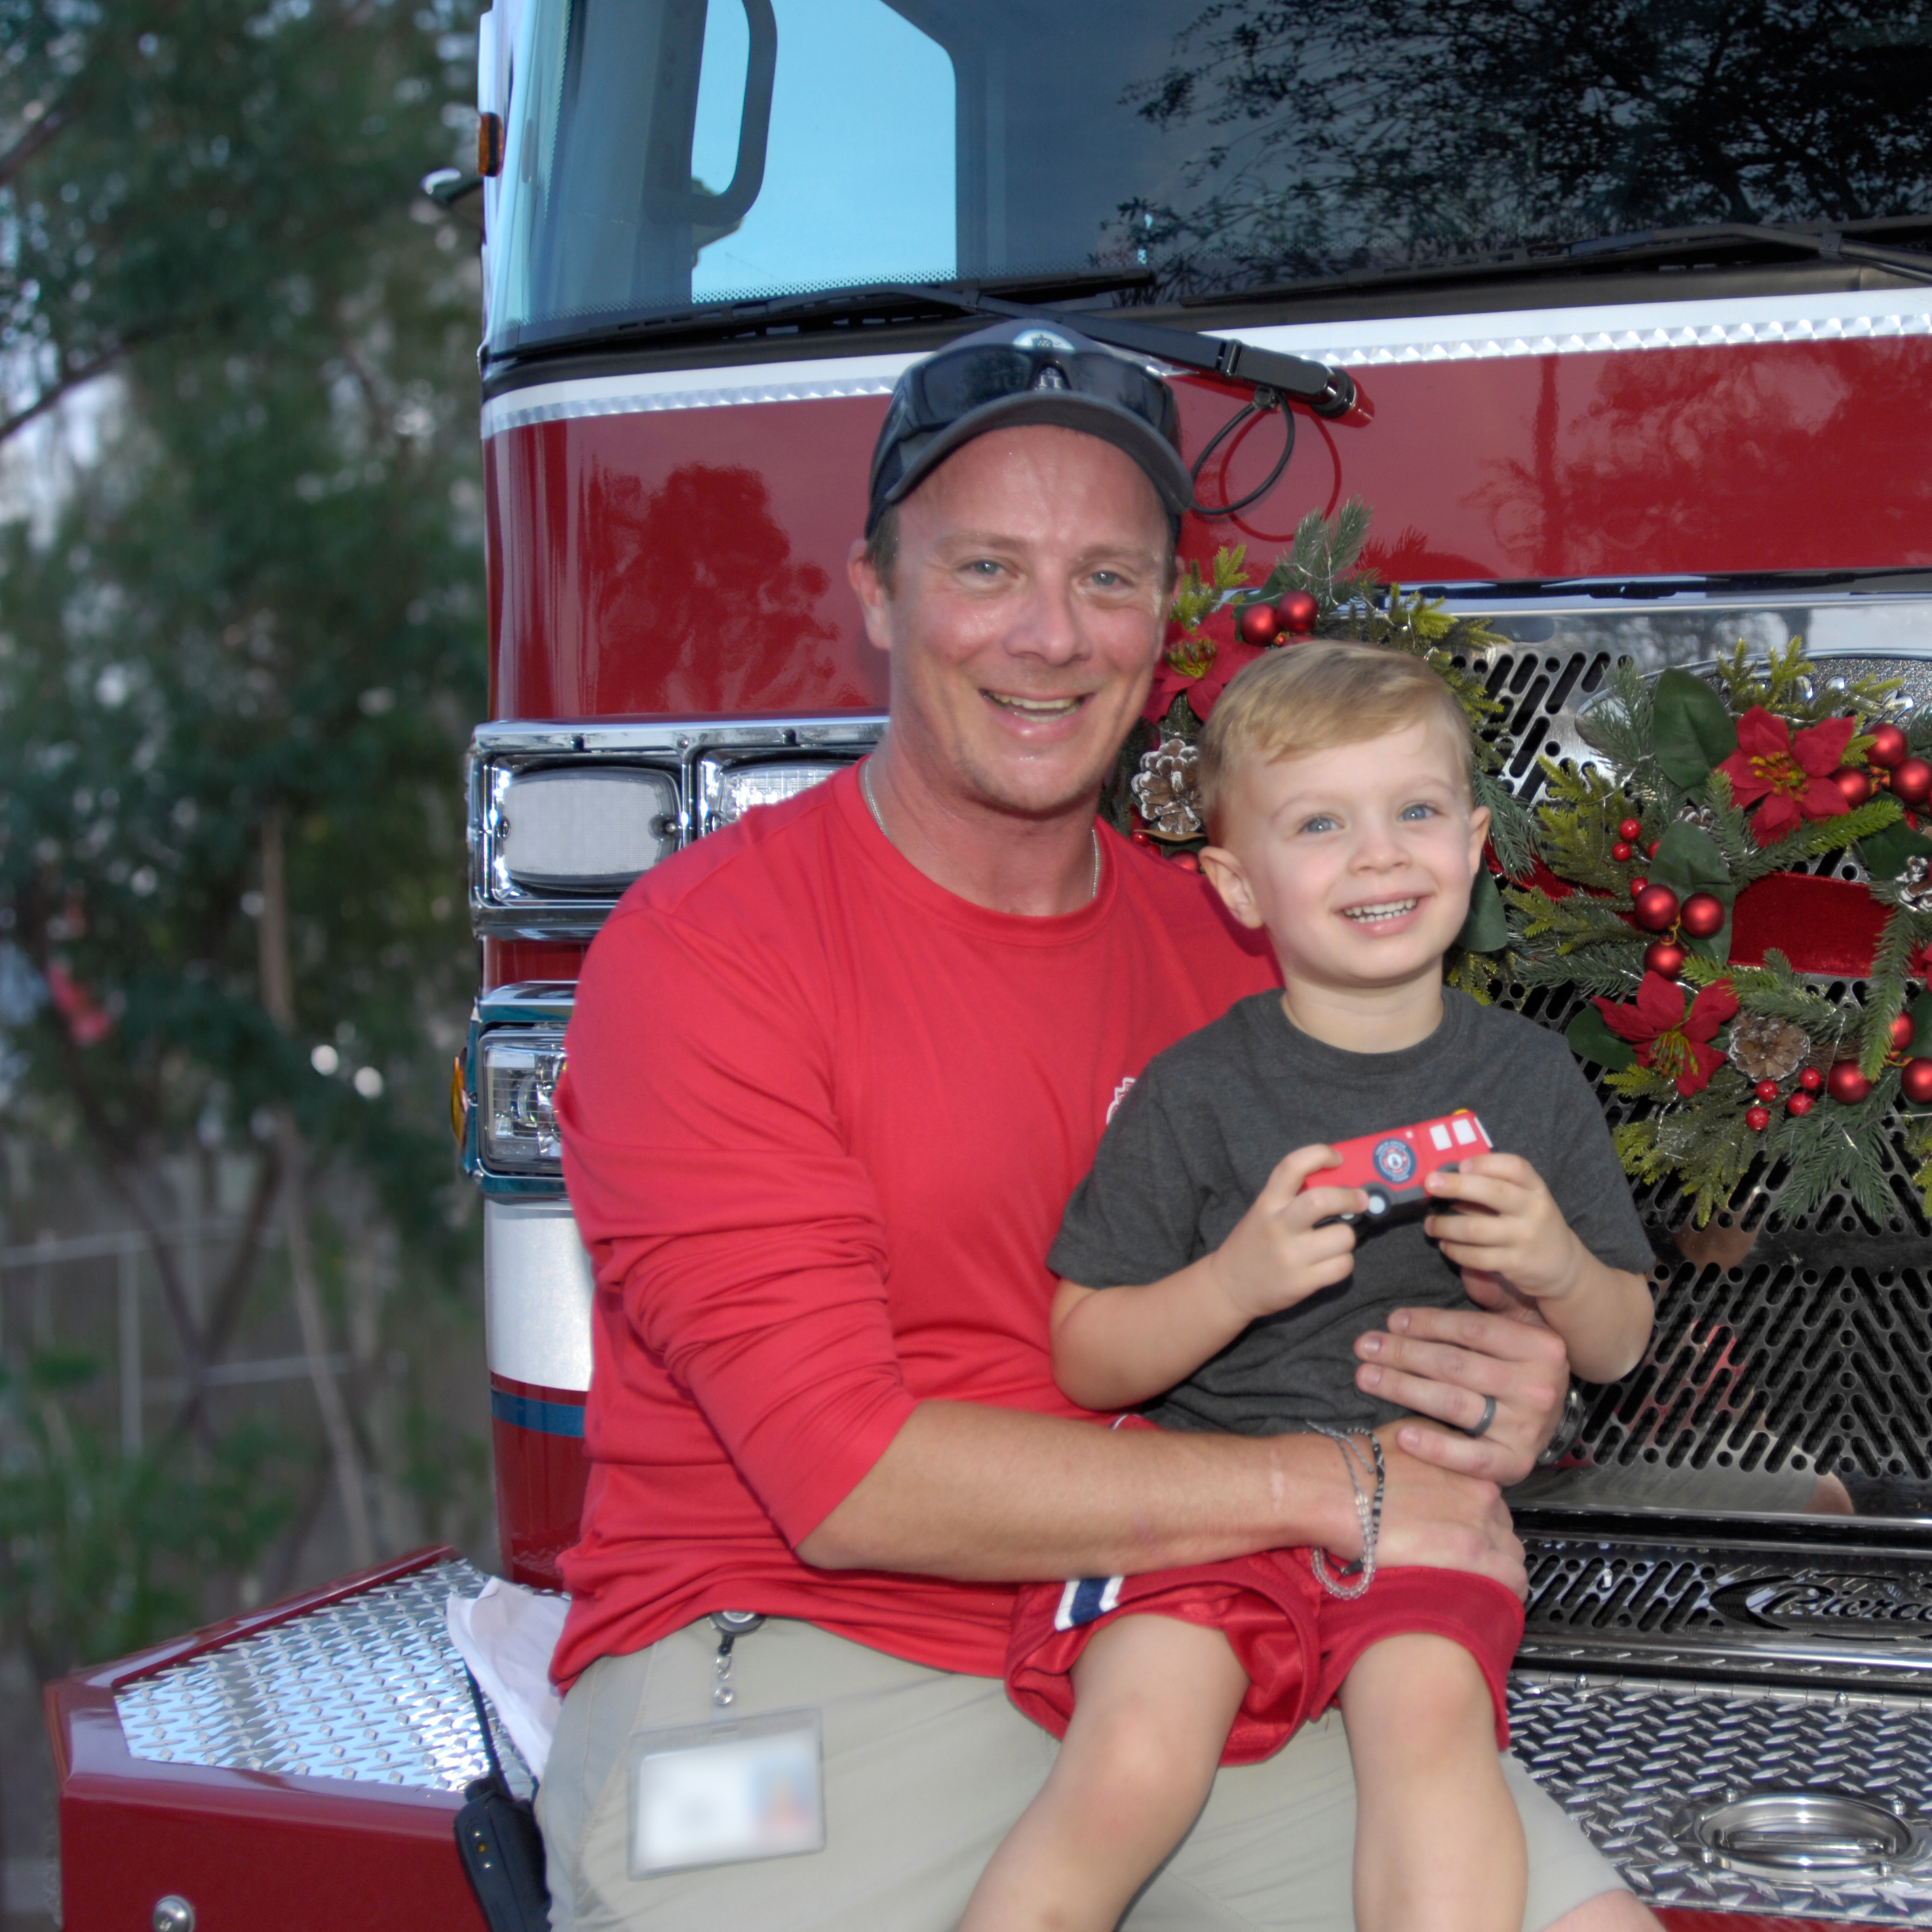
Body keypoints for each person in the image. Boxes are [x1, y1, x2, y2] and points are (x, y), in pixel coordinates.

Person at [543, 315, 1663, 1931]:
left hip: (1193, 1637)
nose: (1051, 634)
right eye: (986, 568)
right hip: (801, 1654)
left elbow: (1372, 1313)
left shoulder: (1241, 960)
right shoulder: (710, 950)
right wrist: (1325, 1487)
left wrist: (1493, 1364)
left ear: (1161, 623)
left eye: (1111, 578)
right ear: (875, 591)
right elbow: (839, 1478)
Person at [961, 643, 1655, 1932]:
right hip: (1204, 1508)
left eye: (1416, 811)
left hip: (1426, 1513)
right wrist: (1233, 1281)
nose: (1382, 855)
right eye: (1321, 824)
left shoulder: (1532, 1079)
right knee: (1134, 1756)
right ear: (1237, 881)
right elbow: (1087, 1355)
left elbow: (1618, 1342)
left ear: (1475, 840)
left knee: (1433, 1728)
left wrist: (1558, 1263)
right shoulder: (1194, 1091)